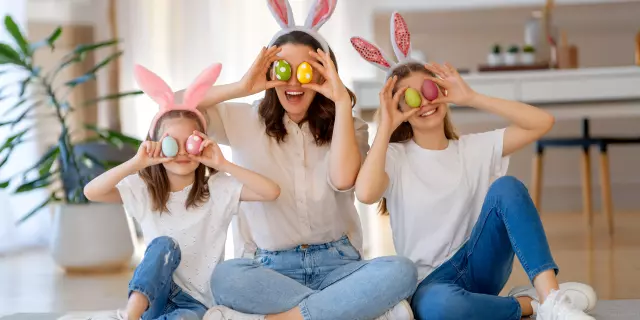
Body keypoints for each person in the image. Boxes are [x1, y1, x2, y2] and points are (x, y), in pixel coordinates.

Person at [176, 1, 418, 320]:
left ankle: (287, 317)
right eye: (283, 70)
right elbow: (173, 107)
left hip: (339, 265)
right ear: (269, 72)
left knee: (401, 270)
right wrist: (242, 86)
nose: (294, 82)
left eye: (307, 71)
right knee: (225, 276)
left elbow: (344, 180)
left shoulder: (349, 124)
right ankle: (350, 310)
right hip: (267, 269)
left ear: (324, 74)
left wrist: (342, 101)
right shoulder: (241, 119)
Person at [351, 11, 598, 320]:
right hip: (432, 283)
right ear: (399, 109)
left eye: (429, 90)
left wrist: (472, 97)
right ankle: (530, 306)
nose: (425, 102)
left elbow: (542, 122)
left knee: (507, 187)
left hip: (481, 264)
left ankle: (552, 300)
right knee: (437, 308)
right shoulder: (393, 157)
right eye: (411, 98)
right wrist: (385, 125)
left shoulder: (474, 148)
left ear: (441, 93)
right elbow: (365, 193)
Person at [84, 63, 281, 320]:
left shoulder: (218, 188)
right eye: (169, 143)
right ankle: (129, 317)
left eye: (191, 142)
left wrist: (223, 164)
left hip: (195, 303)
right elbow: (92, 192)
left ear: (203, 144)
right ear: (156, 146)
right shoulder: (144, 190)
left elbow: (271, 191)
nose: (181, 152)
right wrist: (136, 163)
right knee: (164, 245)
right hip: (152, 297)